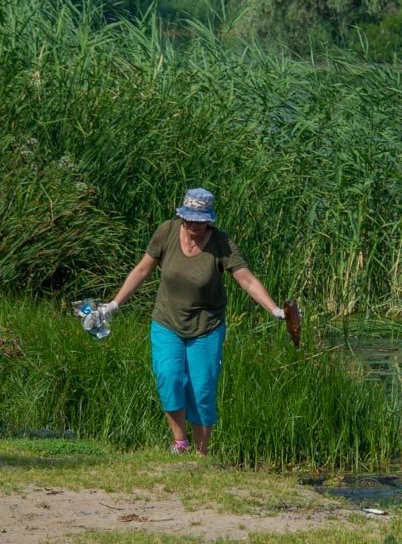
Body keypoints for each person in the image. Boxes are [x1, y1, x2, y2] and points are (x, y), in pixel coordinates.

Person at [90, 188, 286, 455]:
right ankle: (179, 443)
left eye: (199, 220)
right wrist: (114, 304)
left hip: (207, 327)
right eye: (189, 219)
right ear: (182, 216)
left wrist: (274, 309)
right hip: (167, 322)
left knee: (202, 389)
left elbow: (247, 280)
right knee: (169, 377)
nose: (193, 225)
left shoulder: (221, 243)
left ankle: (202, 452)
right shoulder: (167, 232)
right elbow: (142, 269)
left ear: (209, 220)